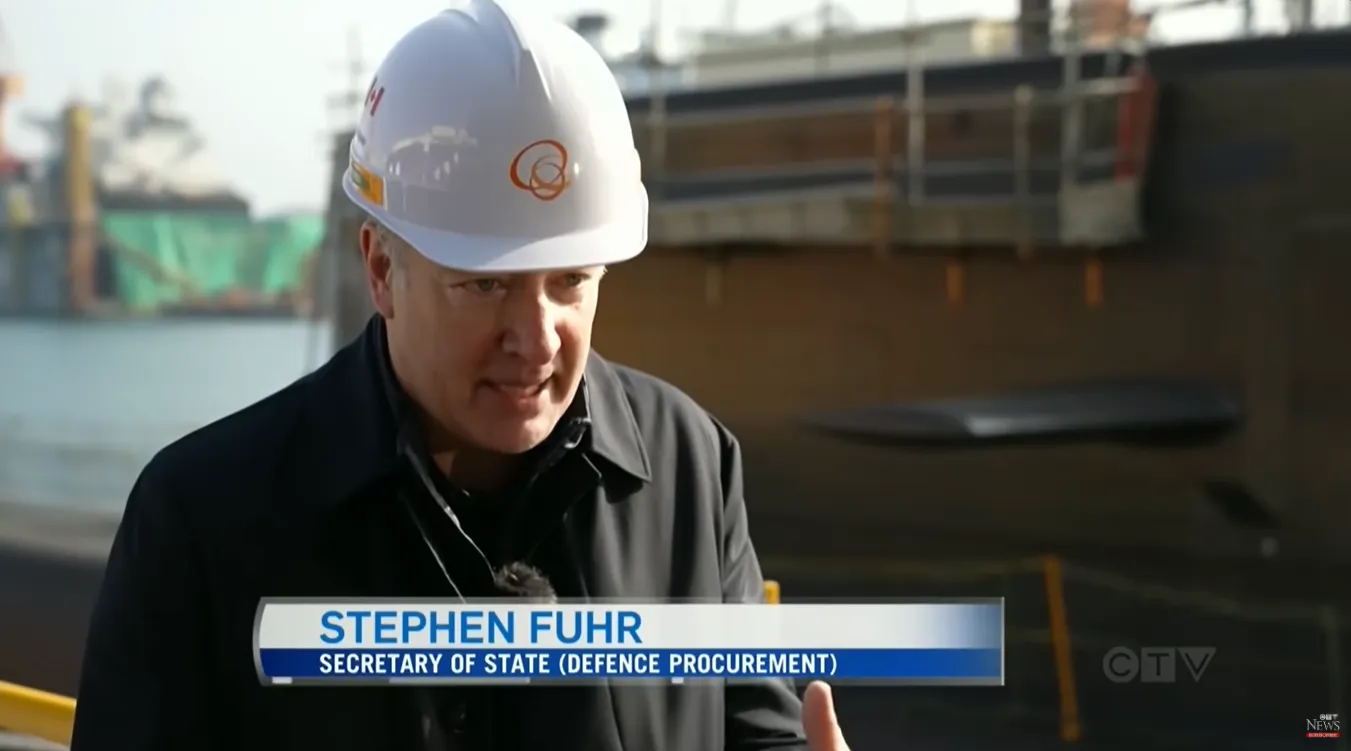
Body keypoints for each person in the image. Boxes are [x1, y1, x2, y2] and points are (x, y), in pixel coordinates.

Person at [69, 2, 855, 749]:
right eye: (484, 284)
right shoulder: (201, 522)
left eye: (570, 280)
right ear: (381, 269)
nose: (536, 338)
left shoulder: (692, 468)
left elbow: (761, 732)